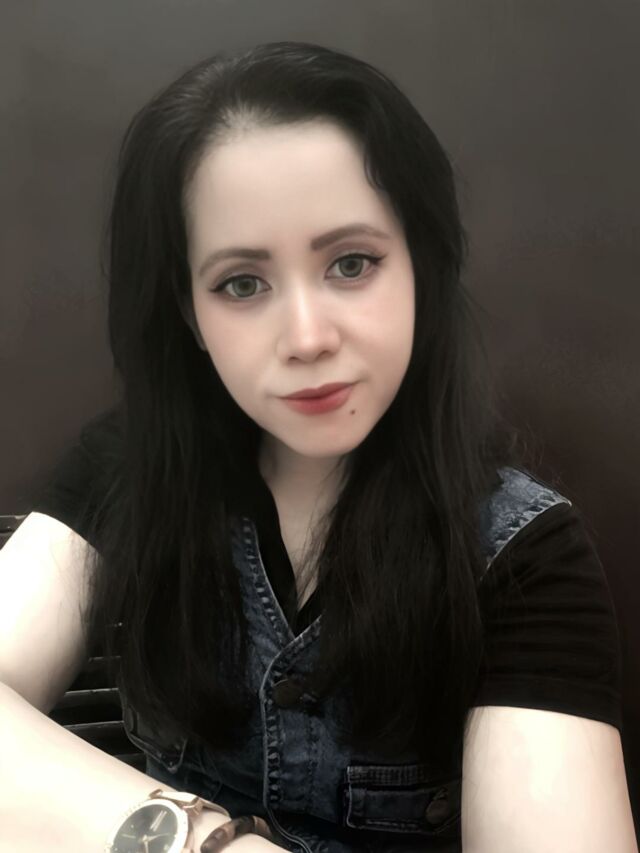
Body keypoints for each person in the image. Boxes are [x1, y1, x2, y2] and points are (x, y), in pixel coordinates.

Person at [0, 40, 635, 853]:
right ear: (191, 314)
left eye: (352, 263)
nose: (306, 337)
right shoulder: (130, 466)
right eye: (242, 283)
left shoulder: (522, 557)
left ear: (421, 269)